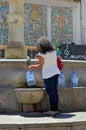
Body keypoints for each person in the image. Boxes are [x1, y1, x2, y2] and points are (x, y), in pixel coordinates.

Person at [28, 36, 61, 115]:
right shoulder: (53, 52)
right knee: (54, 92)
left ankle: (52, 110)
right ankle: (55, 109)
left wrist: (32, 66)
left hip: (48, 74)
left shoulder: (42, 54)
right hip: (56, 72)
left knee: (51, 93)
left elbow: (40, 66)